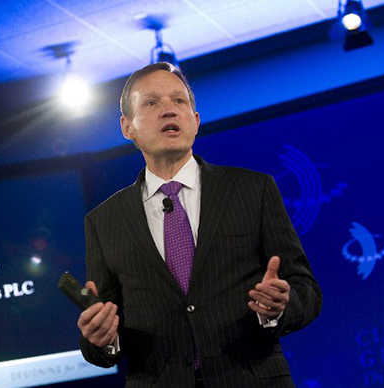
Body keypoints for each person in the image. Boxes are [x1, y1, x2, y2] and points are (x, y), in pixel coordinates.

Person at [76, 62, 322, 388]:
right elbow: (107, 333)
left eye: (179, 101)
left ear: (195, 120)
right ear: (127, 127)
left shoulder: (253, 190)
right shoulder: (103, 221)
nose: (168, 110)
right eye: (151, 103)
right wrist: (101, 338)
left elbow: (306, 289)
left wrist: (278, 307)